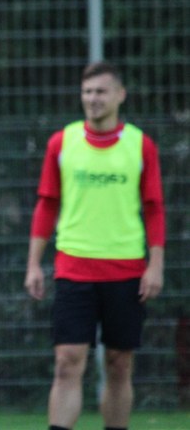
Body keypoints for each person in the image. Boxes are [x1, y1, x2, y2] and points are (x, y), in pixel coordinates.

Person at [24, 61, 166, 430]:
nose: (93, 98)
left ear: (120, 95)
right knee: (67, 361)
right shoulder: (62, 143)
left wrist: (155, 265)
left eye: (101, 91)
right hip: (74, 269)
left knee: (119, 363)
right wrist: (34, 263)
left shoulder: (140, 146)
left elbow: (154, 208)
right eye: (87, 92)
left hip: (126, 270)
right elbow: (47, 204)